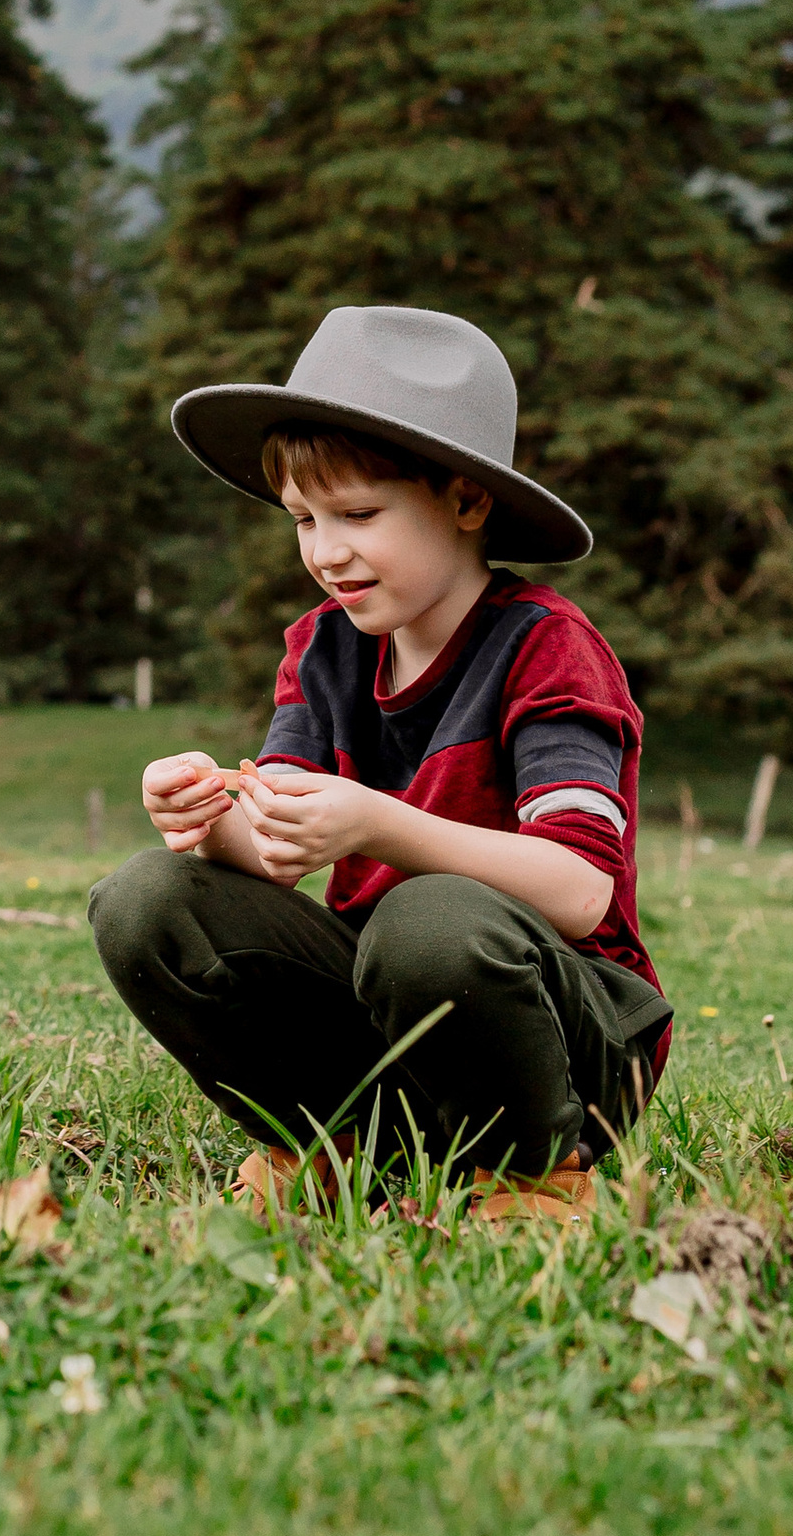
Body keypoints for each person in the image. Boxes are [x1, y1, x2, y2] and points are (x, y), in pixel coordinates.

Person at [92, 304, 672, 1224]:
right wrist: (213, 820)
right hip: (389, 1003)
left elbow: (579, 889)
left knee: (427, 919)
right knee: (146, 899)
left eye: (358, 514)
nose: (326, 552)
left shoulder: (548, 651)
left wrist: (381, 825)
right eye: (303, 520)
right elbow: (279, 855)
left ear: (467, 501)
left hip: (569, 1035)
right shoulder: (322, 651)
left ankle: (530, 1177)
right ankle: (338, 1144)